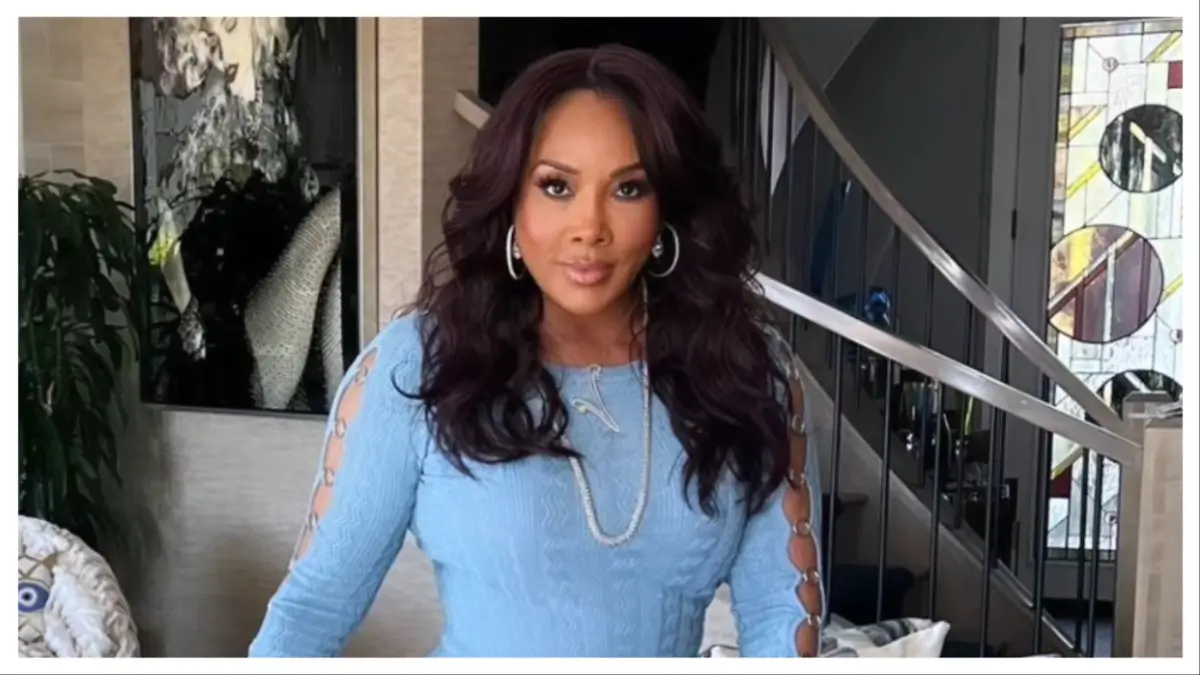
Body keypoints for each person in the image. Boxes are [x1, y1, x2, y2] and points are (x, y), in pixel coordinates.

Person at [248, 44, 824, 658]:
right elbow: (309, 615)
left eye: (629, 189)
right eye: (556, 186)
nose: (589, 228)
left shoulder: (744, 371)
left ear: (666, 212)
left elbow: (779, 613)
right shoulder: (420, 365)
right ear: (511, 201)